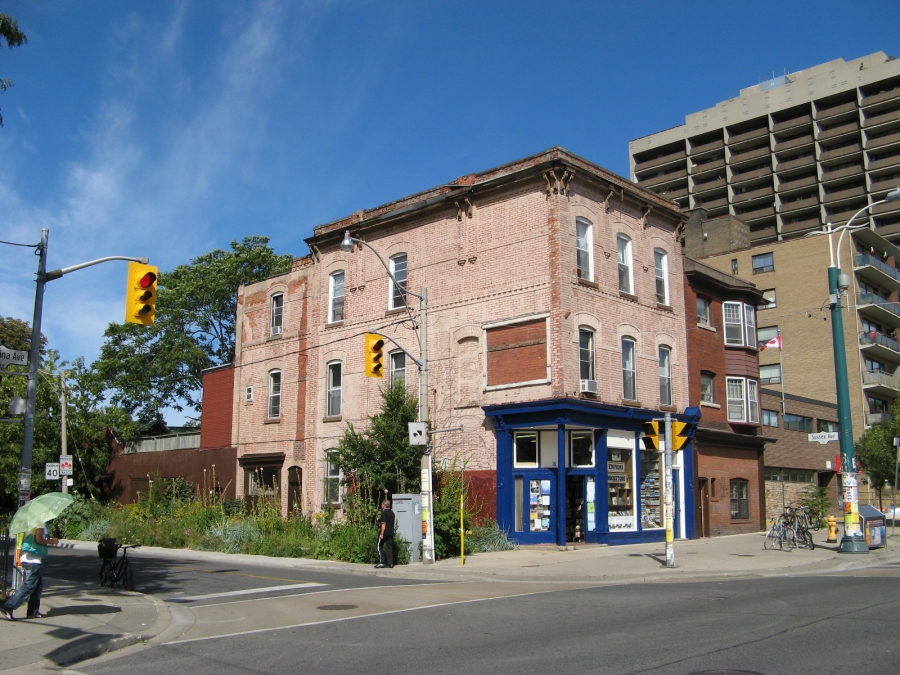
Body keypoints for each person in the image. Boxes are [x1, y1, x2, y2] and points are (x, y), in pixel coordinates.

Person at [2, 524, 58, 621]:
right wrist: (52, 541)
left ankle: (33, 611)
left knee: (38, 586)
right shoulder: (39, 523)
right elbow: (39, 540)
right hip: (33, 561)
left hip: (28, 559)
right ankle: (8, 606)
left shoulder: (29, 523)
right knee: (29, 586)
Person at [375, 499, 395, 569]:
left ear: (384, 505)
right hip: (391, 532)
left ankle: (382, 562)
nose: (381, 505)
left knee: (379, 546)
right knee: (389, 548)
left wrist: (381, 533)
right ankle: (390, 563)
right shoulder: (392, 513)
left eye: (381, 504)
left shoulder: (384, 513)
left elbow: (383, 524)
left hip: (385, 533)